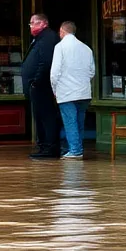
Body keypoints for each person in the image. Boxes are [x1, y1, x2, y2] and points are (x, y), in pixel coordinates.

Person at [50, 21, 96, 160]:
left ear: (62, 31)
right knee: (79, 122)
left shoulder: (60, 47)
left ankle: (75, 150)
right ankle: (78, 148)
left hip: (66, 92)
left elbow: (54, 73)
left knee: (70, 122)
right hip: (84, 92)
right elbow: (92, 72)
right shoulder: (86, 48)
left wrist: (55, 89)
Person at [21, 13, 61, 159]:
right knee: (40, 117)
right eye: (30, 23)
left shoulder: (48, 38)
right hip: (37, 87)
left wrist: (36, 81)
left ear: (43, 23)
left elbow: (46, 62)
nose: (31, 26)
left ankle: (49, 148)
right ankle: (44, 146)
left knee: (46, 116)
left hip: (42, 86)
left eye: (33, 22)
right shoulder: (40, 38)